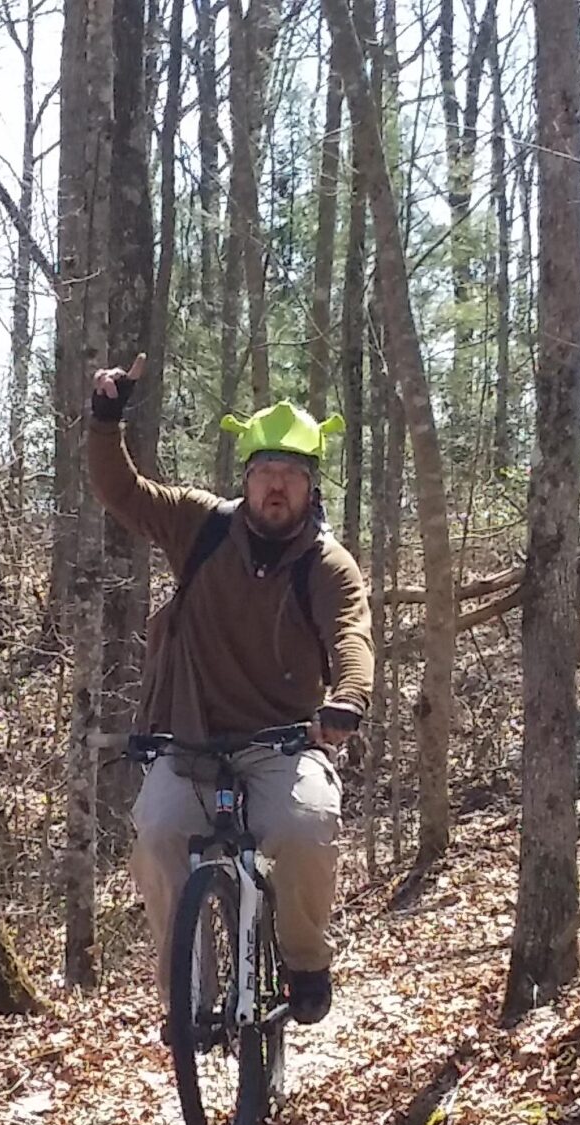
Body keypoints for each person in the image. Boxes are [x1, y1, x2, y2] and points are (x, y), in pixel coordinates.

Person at [85, 354, 375, 1032]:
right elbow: (121, 491)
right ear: (245, 480)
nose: (277, 488)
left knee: (303, 830)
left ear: (310, 489)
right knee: (156, 834)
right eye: (266, 474)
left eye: (292, 477)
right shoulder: (202, 526)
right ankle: (186, 992)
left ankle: (304, 961)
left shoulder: (326, 564)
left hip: (283, 741)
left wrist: (349, 701)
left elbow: (352, 638)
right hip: (188, 736)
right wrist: (106, 420)